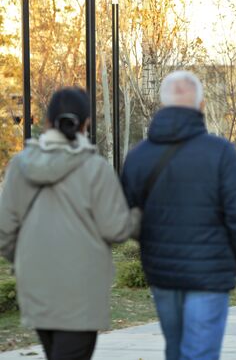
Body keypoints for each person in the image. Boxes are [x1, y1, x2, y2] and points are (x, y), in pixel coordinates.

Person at [121, 70, 236, 360]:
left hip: (162, 274)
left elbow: (128, 215)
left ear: (163, 104)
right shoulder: (222, 153)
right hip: (210, 275)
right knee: (199, 354)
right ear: (201, 105)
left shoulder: (138, 156)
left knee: (176, 349)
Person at [0, 88, 141, 360]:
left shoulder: (19, 166)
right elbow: (116, 229)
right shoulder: (95, 168)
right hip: (82, 290)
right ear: (86, 123)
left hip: (36, 284)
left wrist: (25, 261)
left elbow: (4, 232)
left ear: (47, 122)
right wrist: (139, 217)